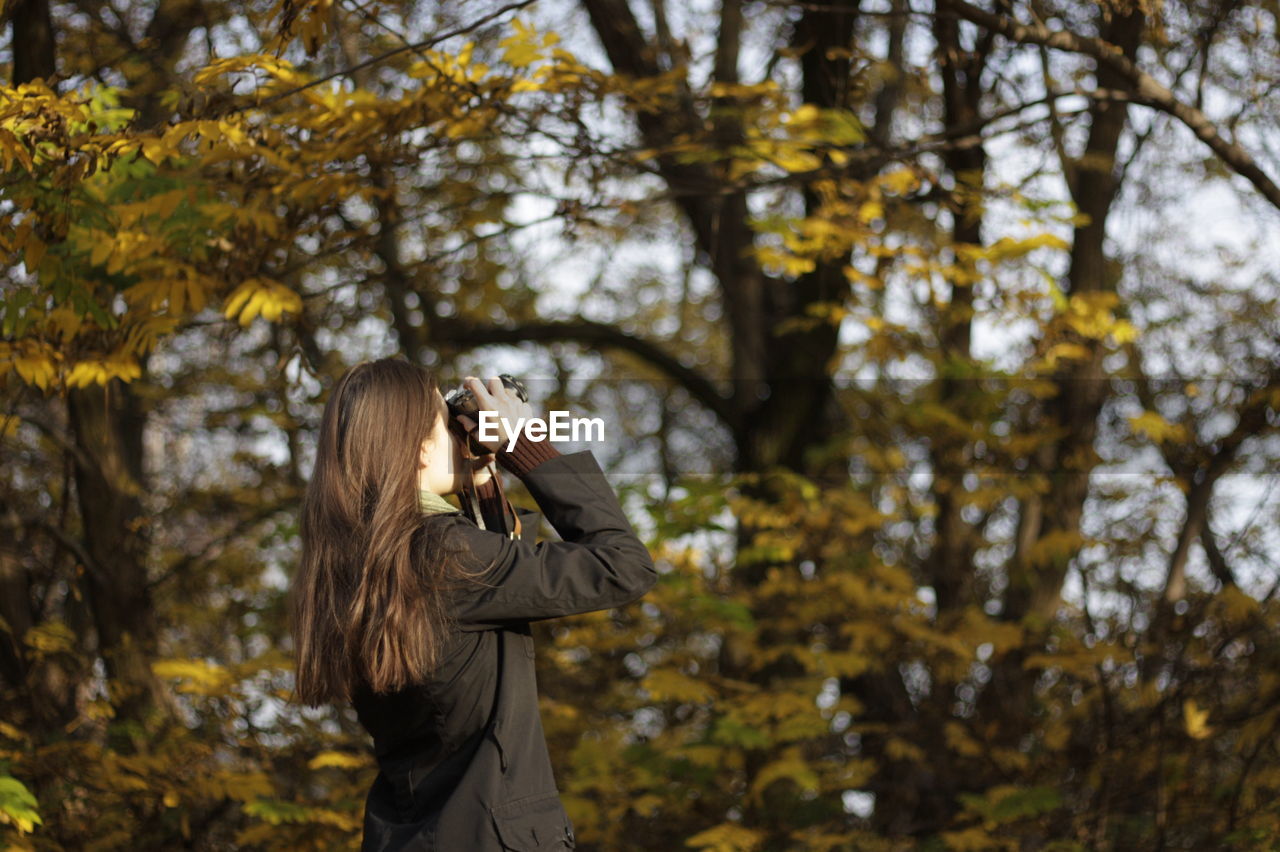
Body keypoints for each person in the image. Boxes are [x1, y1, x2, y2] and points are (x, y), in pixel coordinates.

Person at [288, 357, 657, 851]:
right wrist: (525, 445)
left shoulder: (359, 564)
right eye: (444, 422)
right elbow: (623, 566)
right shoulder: (444, 555)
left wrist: (481, 478)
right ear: (418, 448)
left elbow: (486, 607)